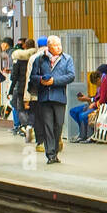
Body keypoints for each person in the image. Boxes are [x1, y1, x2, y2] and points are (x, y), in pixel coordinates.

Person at [27, 35, 75, 164]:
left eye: (60, 45)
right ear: (49, 46)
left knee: (58, 125)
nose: (59, 48)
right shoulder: (40, 59)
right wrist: (41, 80)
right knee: (47, 125)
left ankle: (55, 149)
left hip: (59, 97)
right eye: (55, 45)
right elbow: (33, 77)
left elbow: (71, 76)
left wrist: (55, 81)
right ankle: (50, 154)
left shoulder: (67, 59)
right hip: (45, 98)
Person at [24, 37, 49, 151]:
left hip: (36, 94)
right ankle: (54, 139)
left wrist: (26, 98)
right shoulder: (54, 57)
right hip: (51, 93)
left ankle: (40, 142)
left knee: (39, 118)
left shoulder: (33, 58)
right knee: (50, 117)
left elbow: (29, 78)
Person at [69, 70, 104, 142]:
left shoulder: (103, 85)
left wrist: (89, 99)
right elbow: (95, 97)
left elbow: (100, 99)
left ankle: (84, 135)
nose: (96, 85)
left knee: (82, 115)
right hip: (92, 104)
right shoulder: (99, 87)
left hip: (96, 106)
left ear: (98, 79)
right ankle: (81, 132)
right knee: (73, 111)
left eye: (96, 83)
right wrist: (88, 99)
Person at [9, 39, 34, 135]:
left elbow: (14, 77)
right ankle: (32, 125)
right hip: (33, 87)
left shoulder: (19, 59)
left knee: (20, 108)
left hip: (21, 87)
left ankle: (25, 126)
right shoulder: (36, 58)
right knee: (32, 108)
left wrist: (10, 91)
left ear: (25, 46)